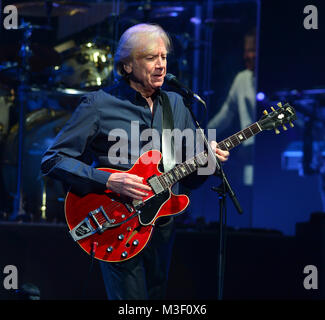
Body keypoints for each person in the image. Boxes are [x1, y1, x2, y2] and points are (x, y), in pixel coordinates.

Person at [41, 23, 229, 300]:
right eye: (151, 57)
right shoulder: (99, 104)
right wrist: (108, 178)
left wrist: (208, 162)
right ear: (127, 65)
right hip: (116, 220)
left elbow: (189, 178)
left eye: (164, 57)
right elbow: (53, 159)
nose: (161, 65)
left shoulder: (176, 104)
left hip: (163, 225)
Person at [207, 28, 256, 227]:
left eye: (252, 50)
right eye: (245, 50)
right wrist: (199, 135)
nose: (247, 55)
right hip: (245, 156)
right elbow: (226, 115)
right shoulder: (242, 79)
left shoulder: (275, 80)